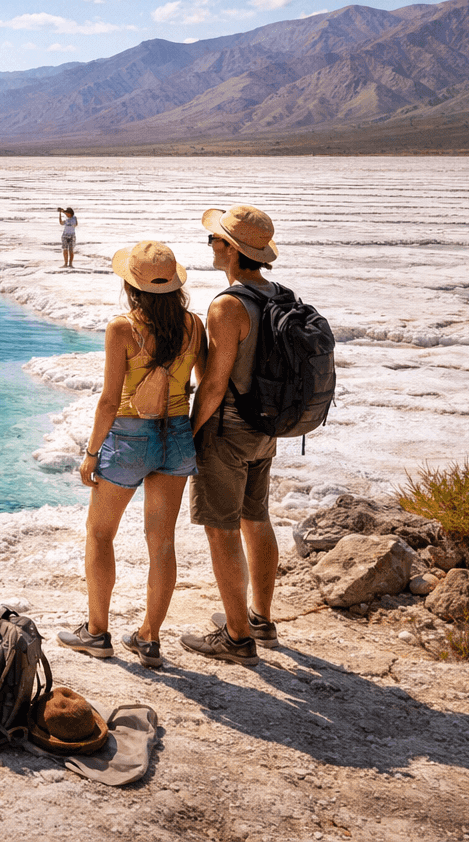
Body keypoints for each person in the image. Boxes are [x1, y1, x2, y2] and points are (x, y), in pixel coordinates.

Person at [58, 240, 205, 669]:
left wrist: (90, 453)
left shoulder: (123, 328)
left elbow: (108, 400)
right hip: (176, 435)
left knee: (100, 534)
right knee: (162, 542)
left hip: (128, 438)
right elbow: (204, 383)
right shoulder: (194, 325)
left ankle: (97, 632)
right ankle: (149, 637)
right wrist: (186, 432)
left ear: (131, 286)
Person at [181, 205, 283, 667]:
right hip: (267, 429)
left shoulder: (228, 305)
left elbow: (215, 383)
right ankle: (260, 617)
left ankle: (238, 637)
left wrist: (189, 433)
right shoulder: (278, 294)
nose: (210, 246)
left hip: (230, 431)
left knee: (222, 530)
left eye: (215, 241)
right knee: (256, 518)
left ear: (233, 250)